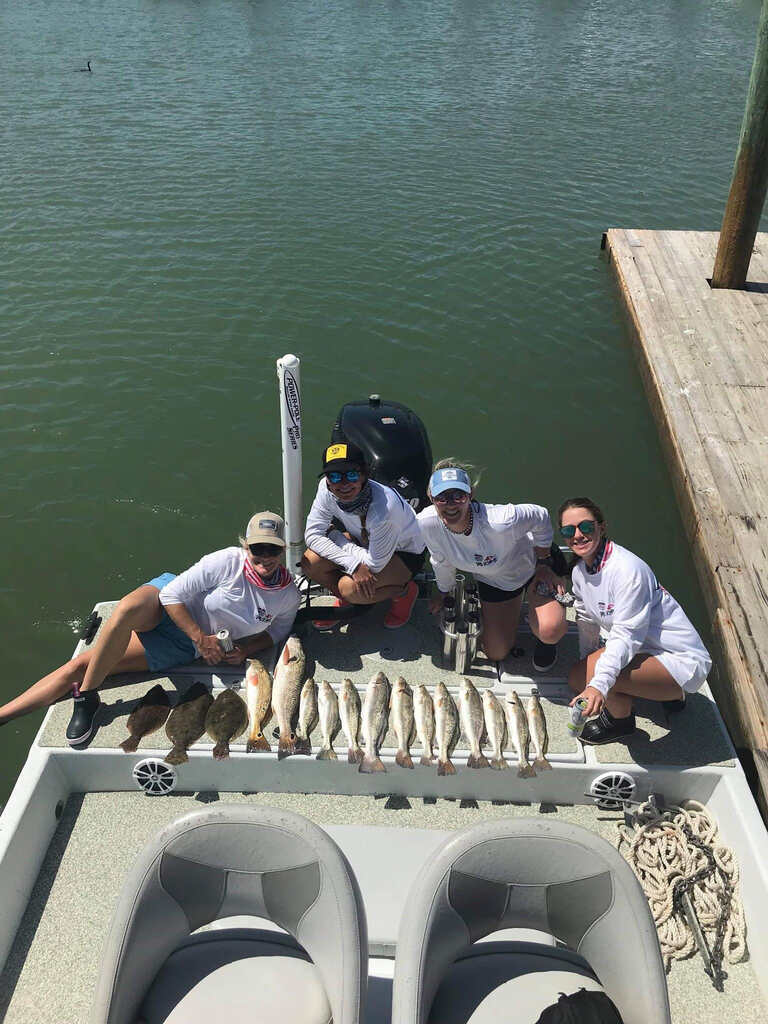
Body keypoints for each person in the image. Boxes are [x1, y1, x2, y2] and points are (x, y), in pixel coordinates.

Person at [0, 512, 300, 746]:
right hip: (167, 608)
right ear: (245, 546)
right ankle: (87, 697)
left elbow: (277, 632)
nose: (265, 557)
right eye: (257, 548)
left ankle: (7, 715)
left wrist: (245, 649)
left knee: (80, 665)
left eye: (272, 549)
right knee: (125, 610)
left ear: (282, 550)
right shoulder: (226, 562)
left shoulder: (288, 596)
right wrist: (201, 637)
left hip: (182, 646)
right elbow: (171, 596)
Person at [560, 497, 712, 744]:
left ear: (601, 526)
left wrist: (598, 685)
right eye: (569, 530)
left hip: (678, 658)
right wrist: (587, 659)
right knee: (577, 678)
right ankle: (663, 693)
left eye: (586, 527)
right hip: (642, 648)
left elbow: (625, 637)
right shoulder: (579, 573)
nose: (578, 535)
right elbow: (587, 618)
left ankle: (620, 723)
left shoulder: (628, 570)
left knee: (604, 679)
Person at [418, 461, 567, 675]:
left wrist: (544, 562)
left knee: (549, 629)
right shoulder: (426, 523)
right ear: (431, 498)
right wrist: (444, 591)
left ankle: (548, 642)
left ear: (471, 495)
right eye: (442, 498)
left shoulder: (501, 520)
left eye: (458, 496)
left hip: (535, 568)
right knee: (496, 652)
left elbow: (540, 515)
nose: (450, 505)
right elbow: (441, 561)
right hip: (497, 582)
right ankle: (519, 610)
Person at [302, 441, 426, 629]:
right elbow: (312, 534)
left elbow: (374, 563)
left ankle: (403, 591)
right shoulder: (325, 489)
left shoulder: (384, 510)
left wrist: (335, 536)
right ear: (327, 479)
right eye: (334, 476)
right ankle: (346, 600)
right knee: (310, 562)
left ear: (364, 474)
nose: (343, 484)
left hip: (403, 555)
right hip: (363, 544)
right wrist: (353, 565)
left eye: (351, 474)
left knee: (349, 588)